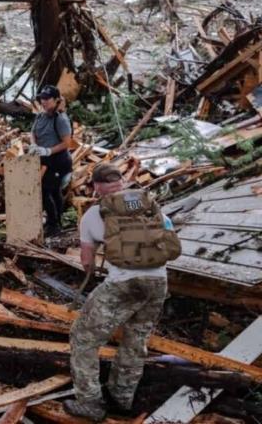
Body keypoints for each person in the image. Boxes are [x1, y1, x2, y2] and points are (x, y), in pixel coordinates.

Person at [65, 164, 180, 421]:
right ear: (124, 182)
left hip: (123, 283)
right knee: (135, 341)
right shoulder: (149, 206)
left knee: (83, 337)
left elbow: (87, 262)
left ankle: (90, 402)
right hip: (159, 282)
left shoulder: (94, 214)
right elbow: (170, 237)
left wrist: (96, 270)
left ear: (95, 187)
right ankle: (122, 397)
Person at [29, 85, 73, 237]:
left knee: (46, 189)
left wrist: (48, 150)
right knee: (52, 190)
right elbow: (33, 132)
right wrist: (34, 144)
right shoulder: (40, 116)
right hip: (44, 159)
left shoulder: (60, 119)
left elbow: (67, 143)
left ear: (56, 100)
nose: (44, 101)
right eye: (42, 98)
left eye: (47, 99)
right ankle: (54, 221)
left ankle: (54, 224)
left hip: (58, 160)